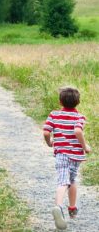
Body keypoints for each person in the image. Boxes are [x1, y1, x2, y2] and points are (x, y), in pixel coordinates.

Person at [43, 87, 91, 230]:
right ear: (78, 102)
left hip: (61, 154)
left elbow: (46, 132)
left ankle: (58, 206)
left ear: (60, 101)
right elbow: (77, 130)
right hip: (75, 155)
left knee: (62, 181)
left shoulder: (54, 115)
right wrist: (85, 146)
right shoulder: (79, 117)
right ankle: (72, 207)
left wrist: (50, 142)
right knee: (72, 180)